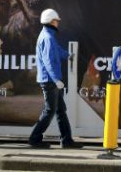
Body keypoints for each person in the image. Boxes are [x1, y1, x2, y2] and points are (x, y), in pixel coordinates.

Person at [28, 8, 84, 149]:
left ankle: (67, 140)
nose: (58, 23)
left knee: (60, 110)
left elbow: (57, 51)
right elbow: (48, 61)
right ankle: (34, 138)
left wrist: (68, 55)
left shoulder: (48, 36)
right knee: (50, 111)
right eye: (57, 21)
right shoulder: (47, 37)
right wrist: (56, 80)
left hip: (50, 80)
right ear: (51, 21)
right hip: (50, 81)